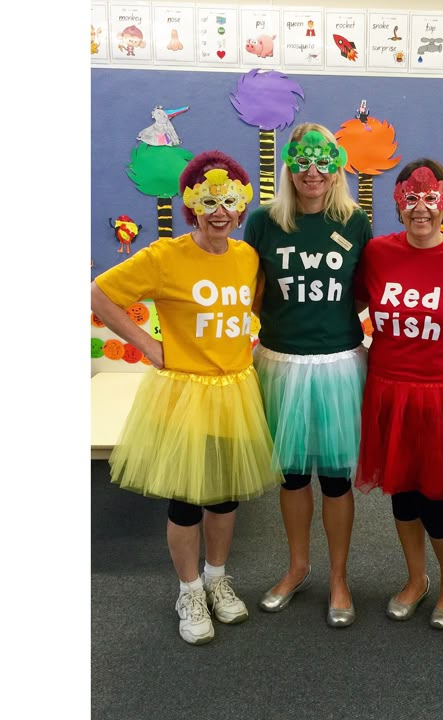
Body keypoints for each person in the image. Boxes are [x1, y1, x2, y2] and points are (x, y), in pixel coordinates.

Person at [91, 151, 282, 646]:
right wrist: (150, 346)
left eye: (229, 201)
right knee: (187, 500)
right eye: (208, 201)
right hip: (185, 393)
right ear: (191, 205)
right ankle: (189, 589)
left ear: (242, 206)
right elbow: (99, 294)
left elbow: (253, 308)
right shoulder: (165, 256)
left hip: (236, 390)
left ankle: (217, 579)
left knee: (224, 496)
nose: (220, 210)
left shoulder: (246, 257)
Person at [354, 159, 443, 630]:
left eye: (430, 199)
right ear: (397, 202)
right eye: (411, 199)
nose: (421, 209)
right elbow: (353, 302)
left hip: (441, 394)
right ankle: (416, 580)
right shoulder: (377, 252)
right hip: (389, 389)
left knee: (436, 499)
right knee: (402, 497)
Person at [244, 123, 372, 627]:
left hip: (338, 363)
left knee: (336, 479)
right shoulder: (263, 222)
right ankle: (297, 566)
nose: (312, 172)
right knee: (293, 475)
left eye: (322, 162)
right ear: (289, 166)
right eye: (302, 162)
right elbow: (250, 289)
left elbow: (362, 290)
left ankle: (339, 578)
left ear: (336, 166)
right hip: (280, 362)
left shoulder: (355, 222)